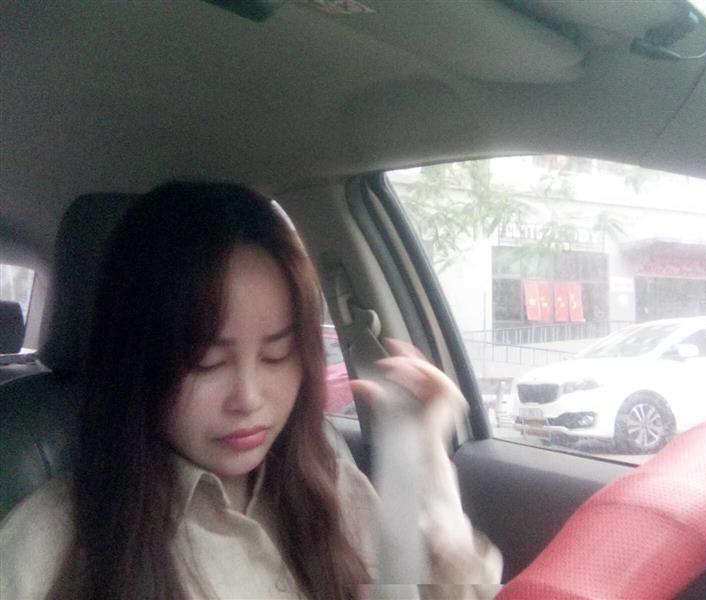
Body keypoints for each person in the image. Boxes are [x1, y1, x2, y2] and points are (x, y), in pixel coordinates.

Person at [0, 182, 501, 599]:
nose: (249, 398)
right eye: (206, 362)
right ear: (138, 360)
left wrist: (426, 460)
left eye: (277, 355)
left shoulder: (331, 485)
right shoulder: (50, 546)